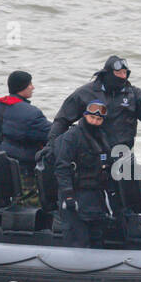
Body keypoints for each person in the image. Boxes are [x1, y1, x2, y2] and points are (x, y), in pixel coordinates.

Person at [47, 56, 141, 152]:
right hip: (91, 152)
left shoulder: (133, 94)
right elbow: (62, 120)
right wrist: (51, 145)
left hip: (122, 152)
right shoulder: (85, 93)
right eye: (118, 73)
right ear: (108, 74)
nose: (122, 76)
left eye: (125, 73)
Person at [53, 100, 115, 248]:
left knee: (97, 237)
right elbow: (62, 167)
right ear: (85, 116)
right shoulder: (71, 137)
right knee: (78, 238)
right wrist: (68, 195)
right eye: (92, 117)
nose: (95, 121)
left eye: (99, 119)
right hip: (76, 196)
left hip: (96, 196)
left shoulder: (102, 137)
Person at [0, 70, 52, 186]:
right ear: (22, 87)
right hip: (25, 167)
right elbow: (50, 134)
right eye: (30, 84)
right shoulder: (32, 113)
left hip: (1, 162)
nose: (33, 87)